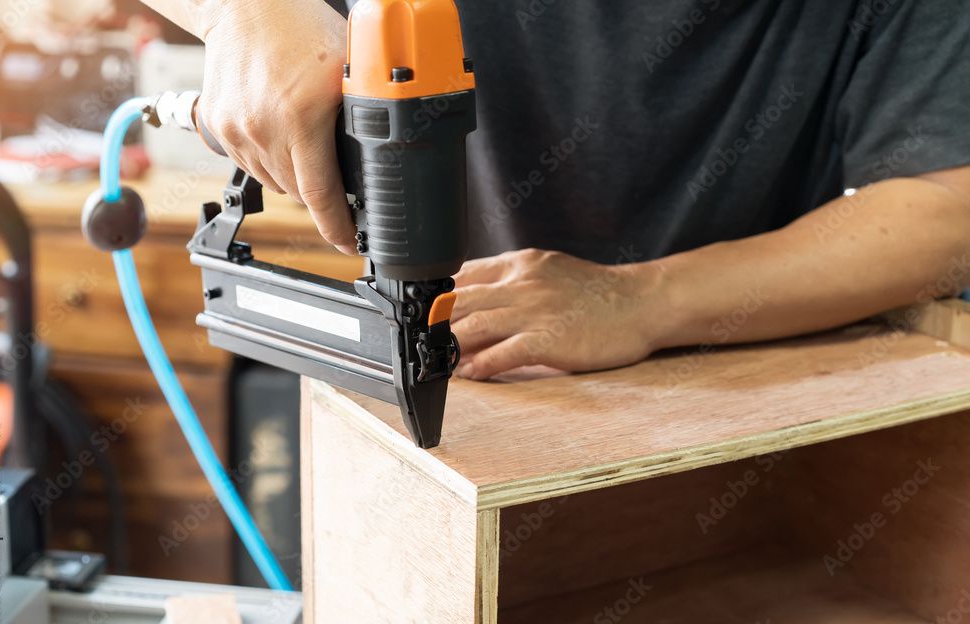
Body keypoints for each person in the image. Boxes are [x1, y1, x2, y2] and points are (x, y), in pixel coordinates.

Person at [142, 0, 970, 380]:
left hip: (765, 382)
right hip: (479, 380)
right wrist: (241, 12)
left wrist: (644, 300)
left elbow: (948, 211)